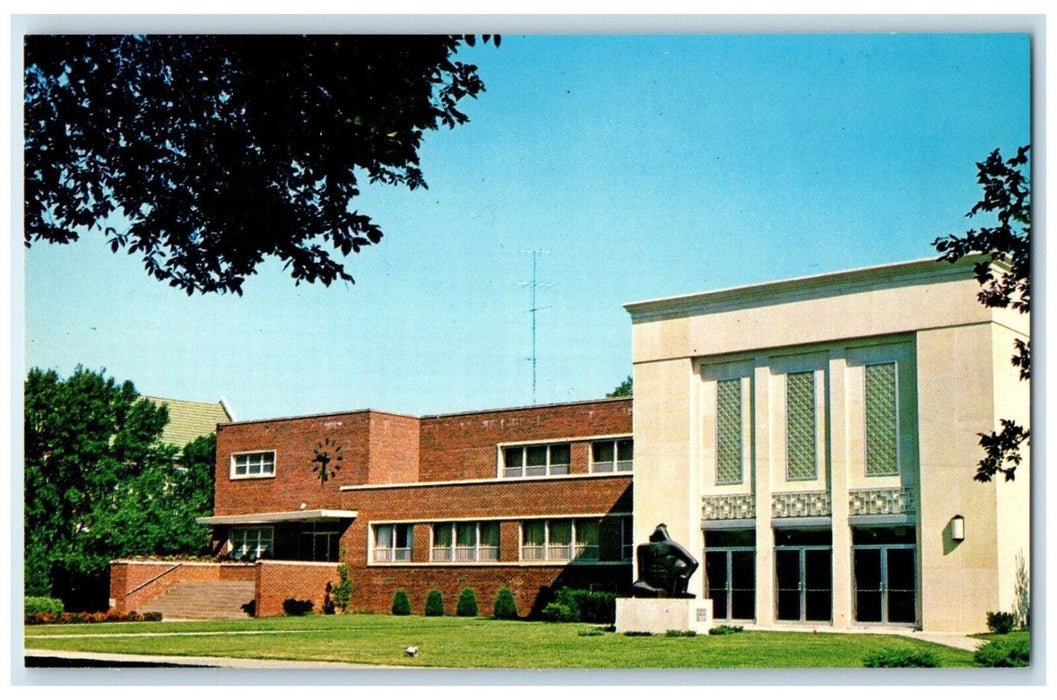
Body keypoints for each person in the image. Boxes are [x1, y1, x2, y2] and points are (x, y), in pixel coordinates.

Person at [630, 523, 699, 598]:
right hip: (649, 585)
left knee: (680, 564)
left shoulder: (672, 546)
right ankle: (655, 592)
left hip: (669, 584)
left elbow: (693, 563)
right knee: (636, 586)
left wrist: (684, 576)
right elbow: (641, 577)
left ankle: (658, 593)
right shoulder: (642, 548)